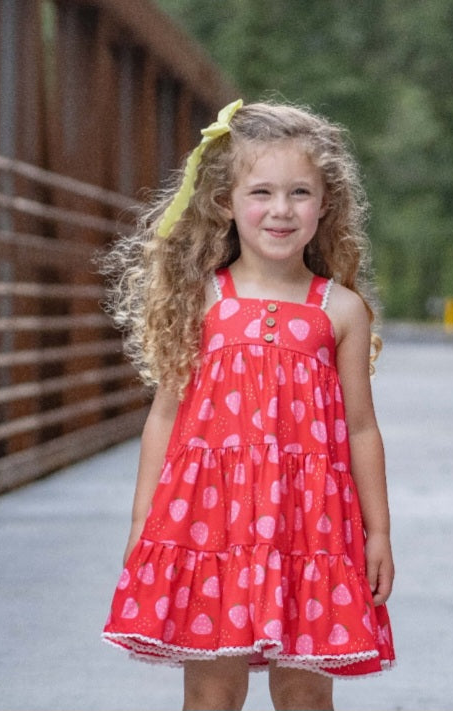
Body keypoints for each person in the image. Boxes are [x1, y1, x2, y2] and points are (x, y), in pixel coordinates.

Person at [100, 99, 395, 711]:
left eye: (300, 193)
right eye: (261, 191)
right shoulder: (202, 299)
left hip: (309, 525)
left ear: (326, 205)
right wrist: (141, 523)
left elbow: (362, 428)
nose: (281, 210)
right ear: (225, 202)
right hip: (210, 524)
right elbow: (165, 415)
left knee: (306, 689)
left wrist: (378, 532)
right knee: (211, 687)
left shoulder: (338, 310)